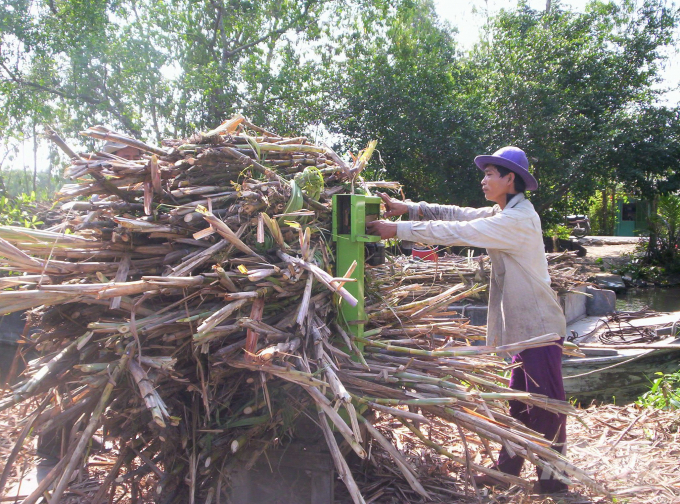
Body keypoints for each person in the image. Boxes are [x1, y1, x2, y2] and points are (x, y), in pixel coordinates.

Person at [366, 146, 568, 494]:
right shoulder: (504, 211)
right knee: (519, 402)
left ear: (510, 179)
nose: (484, 179)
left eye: (491, 174)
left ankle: (554, 481)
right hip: (524, 329)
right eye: (486, 173)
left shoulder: (517, 220)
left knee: (546, 406)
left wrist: (395, 230)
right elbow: (458, 214)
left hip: (540, 328)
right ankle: (507, 469)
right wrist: (410, 208)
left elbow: (458, 233)